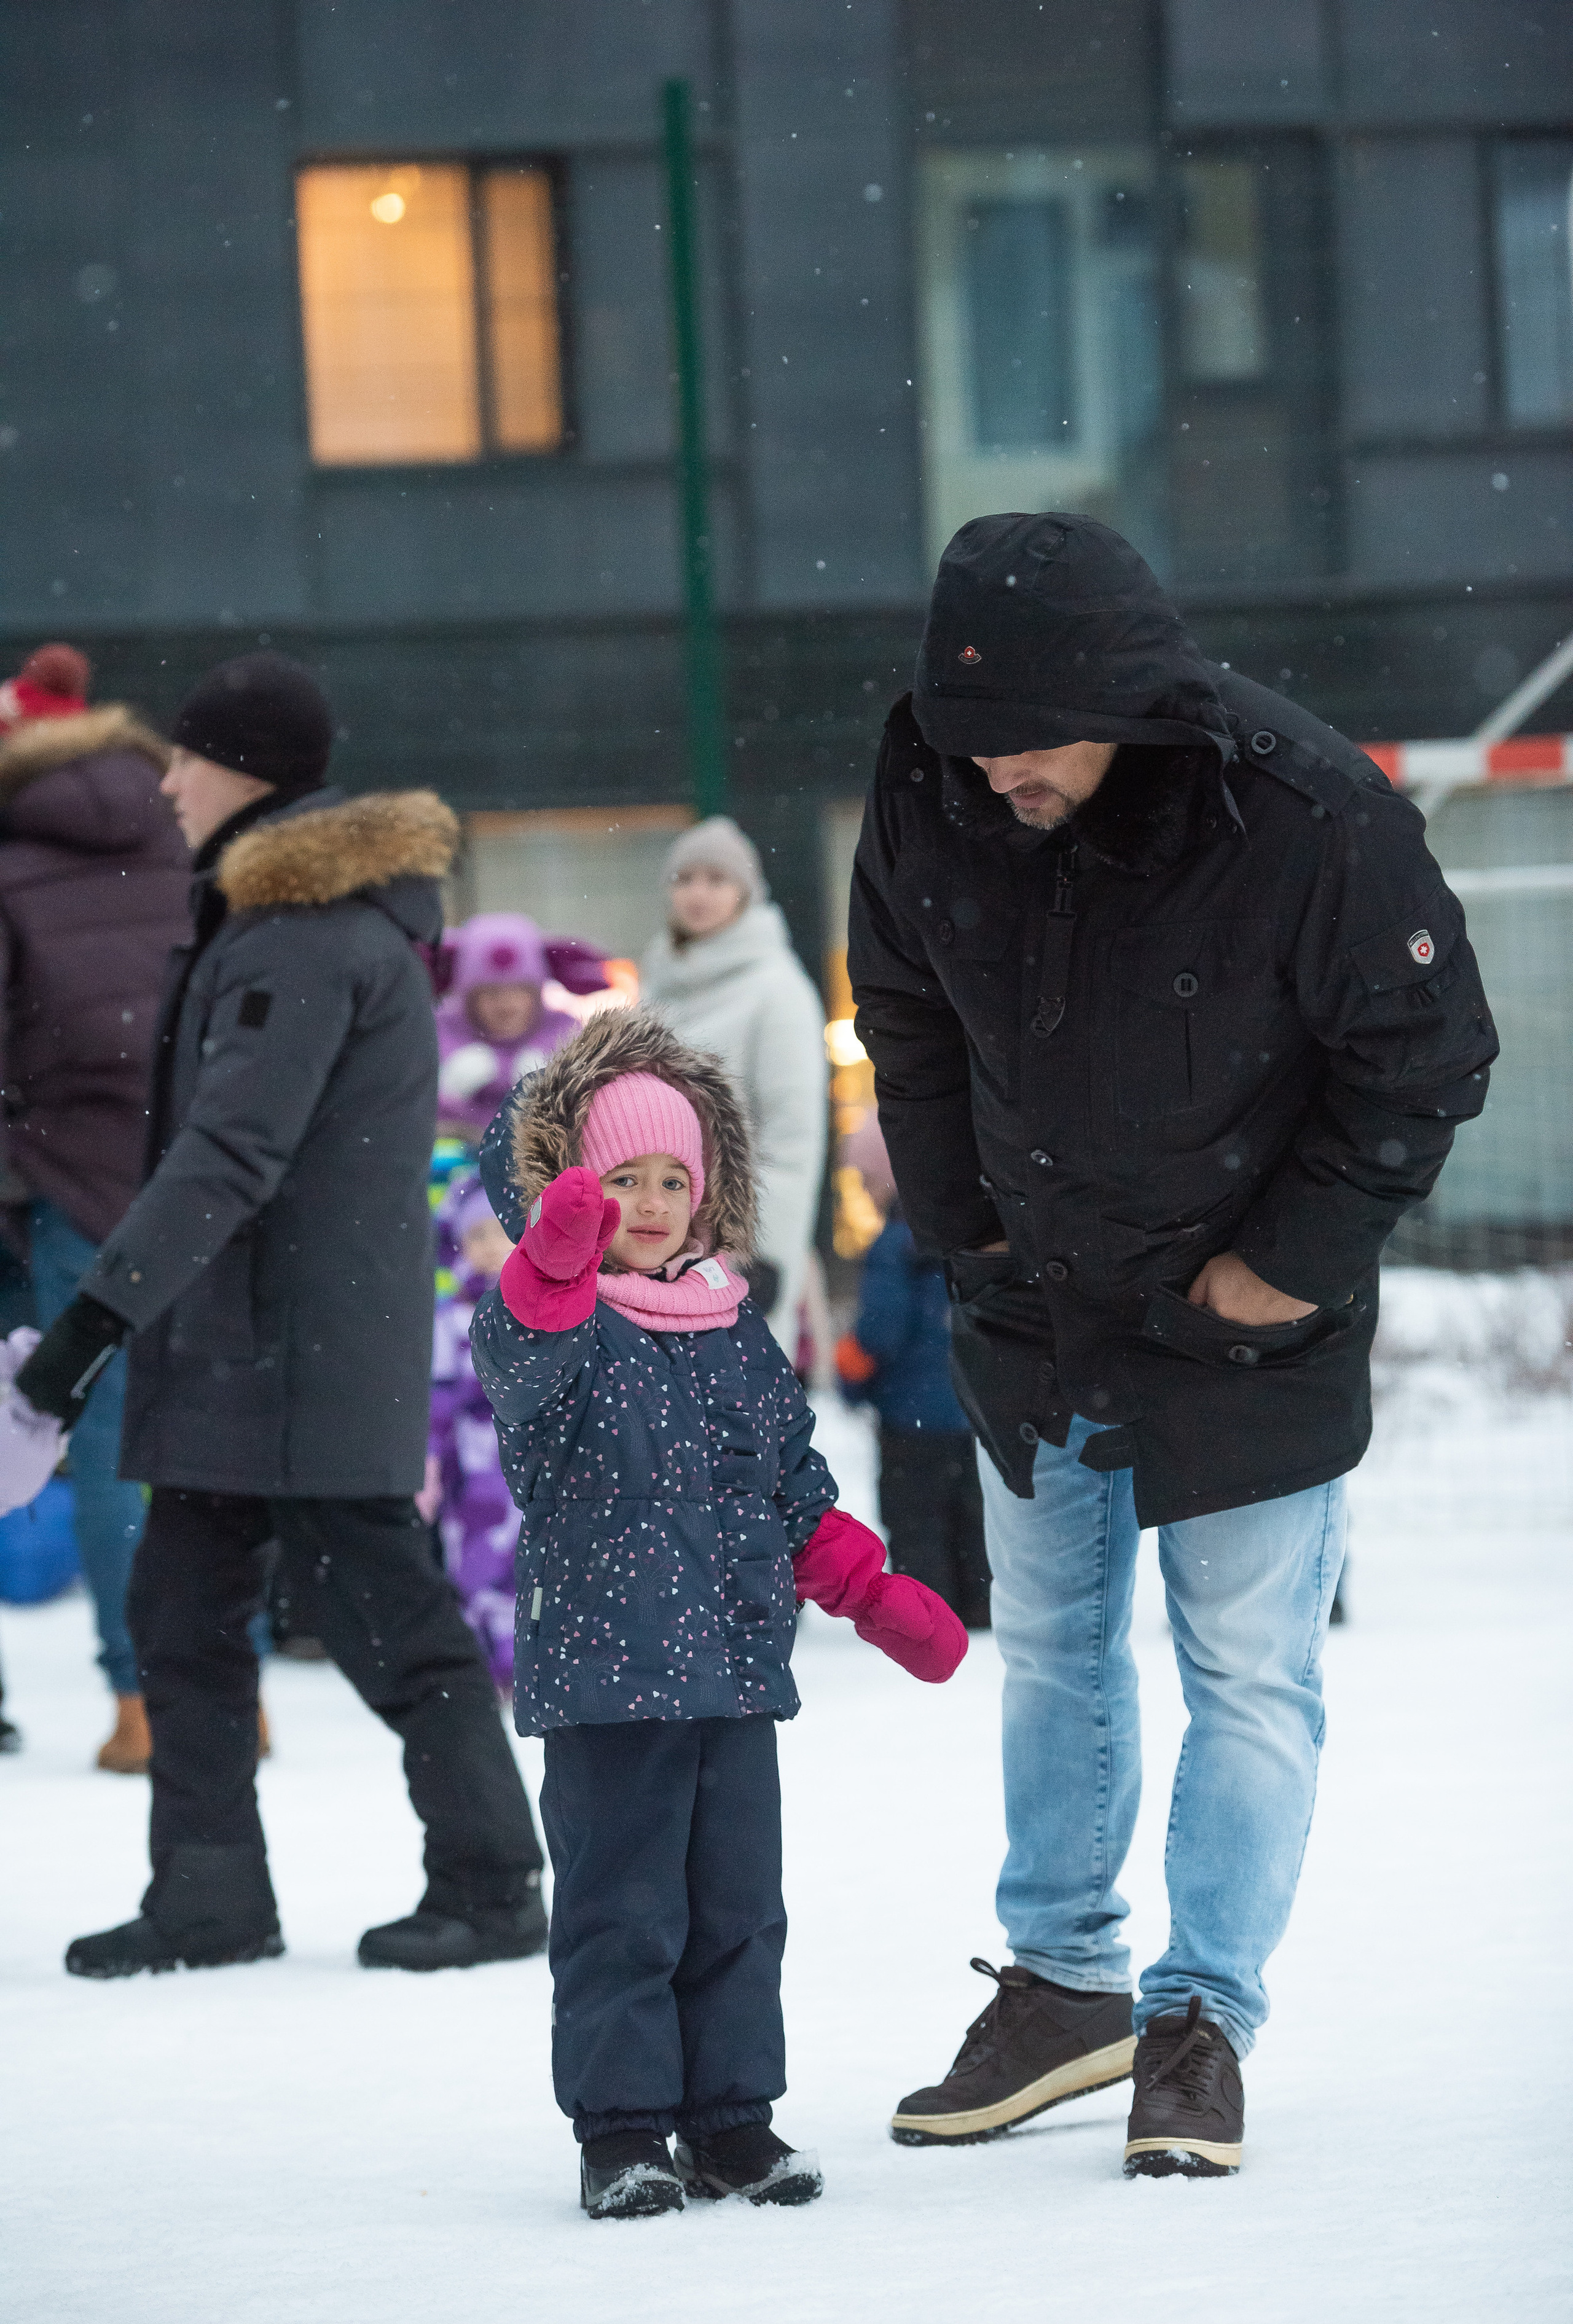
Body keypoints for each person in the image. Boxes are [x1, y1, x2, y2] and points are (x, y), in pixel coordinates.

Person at [847, 512, 1497, 2177]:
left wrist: (1283, 1269)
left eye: (1024, 743)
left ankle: (1202, 2017)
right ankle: (1067, 1985)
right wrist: (961, 1222)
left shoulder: (1302, 811)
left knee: (1247, 1674)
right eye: (964, 739)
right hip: (1035, 1306)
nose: (992, 775)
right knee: (1054, 1651)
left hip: (1245, 1327)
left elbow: (1426, 1057)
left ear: (1124, 701)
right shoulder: (933, 775)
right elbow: (903, 1003)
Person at [0, 652, 547, 1978]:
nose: (167, 786)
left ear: (240, 771)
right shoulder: (269, 917)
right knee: (181, 1611)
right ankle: (209, 1895)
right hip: (241, 1342)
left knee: (385, 1618)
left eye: (184, 761)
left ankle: (490, 1882)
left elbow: (229, 1155)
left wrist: (89, 1324)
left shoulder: (304, 933)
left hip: (296, 1346)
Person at [468, 1007, 966, 2217]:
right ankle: (624, 2129)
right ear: (572, 1187)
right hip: (608, 1680)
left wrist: (870, 1586)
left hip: (734, 1677)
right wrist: (553, 1258)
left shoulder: (732, 1327)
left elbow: (787, 1488)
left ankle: (732, 2120)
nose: (647, 1201)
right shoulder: (556, 1320)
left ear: (707, 1192)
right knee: (620, 1913)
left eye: (670, 1179)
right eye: (619, 1178)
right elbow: (523, 1362)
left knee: (738, 1911)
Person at [0, 642, 189, 1770]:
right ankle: (217, 1685)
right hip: (193, 1175)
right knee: (192, 1438)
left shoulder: (11, 861)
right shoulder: (178, 832)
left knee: (97, 1433)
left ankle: (142, 1700)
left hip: (63, 1179)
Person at [638, 817, 826, 1356]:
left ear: (746, 893)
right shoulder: (658, 983)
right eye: (685, 878)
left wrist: (761, 1251)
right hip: (654, 1238)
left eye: (717, 879)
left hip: (733, 1249)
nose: (698, 893)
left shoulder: (777, 990)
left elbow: (793, 1140)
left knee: (737, 1415)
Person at [834, 1113, 991, 1629]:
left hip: (910, 1418)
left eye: (864, 1179)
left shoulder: (893, 1246)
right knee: (971, 1517)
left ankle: (928, 1617)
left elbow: (881, 1330)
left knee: (916, 1519)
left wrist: (851, 1374)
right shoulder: (964, 1237)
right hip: (970, 1413)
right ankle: (979, 1607)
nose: (862, 1190)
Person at [422, 1172, 519, 1694]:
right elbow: (437, 1397)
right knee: (472, 1566)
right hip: (472, 1470)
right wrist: (430, 1462)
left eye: (496, 1232)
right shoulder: (453, 1317)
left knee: (527, 1567)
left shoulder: (538, 1311)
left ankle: (522, 1662)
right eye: (473, 1236)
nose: (485, 1247)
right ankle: (482, 1665)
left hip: (527, 1469)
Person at [436, 913, 610, 1143]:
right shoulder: (440, 1034)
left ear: (537, 993)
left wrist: (559, 1094)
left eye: (519, 990)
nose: (507, 1006)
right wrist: (446, 1096)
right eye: (491, 993)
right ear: (469, 999)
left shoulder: (566, 1035)